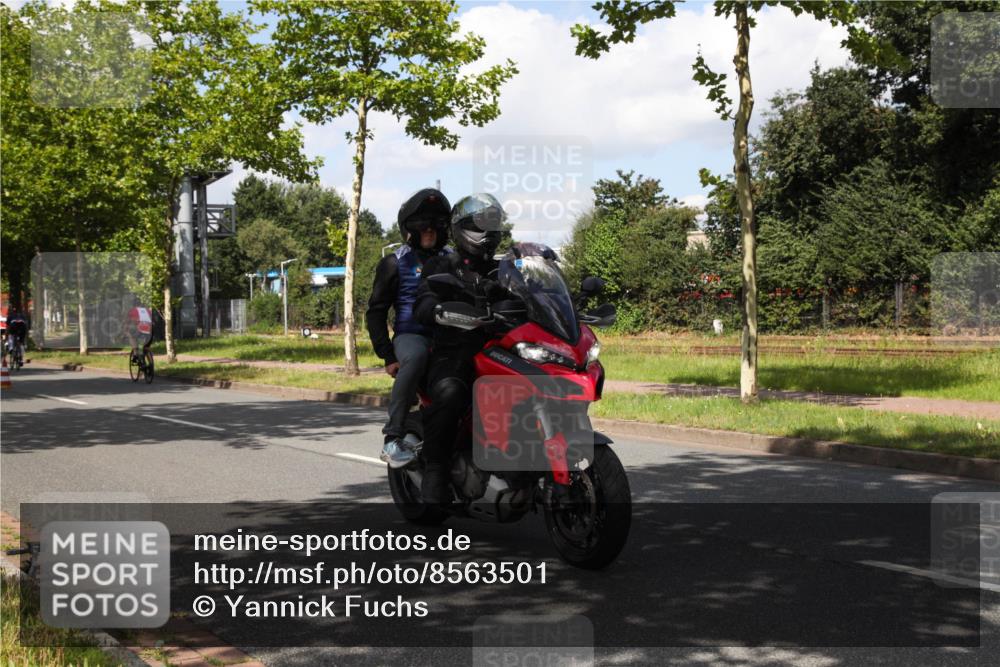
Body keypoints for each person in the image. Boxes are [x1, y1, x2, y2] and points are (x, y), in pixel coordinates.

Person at [413, 193, 507, 503]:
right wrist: (438, 309)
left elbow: (536, 293)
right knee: (451, 391)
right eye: (481, 225)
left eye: (493, 224)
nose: (488, 231)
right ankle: (436, 470)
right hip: (456, 349)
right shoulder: (444, 265)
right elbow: (425, 300)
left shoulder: (504, 269)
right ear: (462, 228)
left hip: (502, 348)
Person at [366, 188, 452, 467]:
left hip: (449, 337)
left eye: (435, 225)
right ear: (409, 229)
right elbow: (376, 311)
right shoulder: (395, 262)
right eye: (422, 225)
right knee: (416, 356)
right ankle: (392, 437)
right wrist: (388, 356)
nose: (429, 230)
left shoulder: (454, 260)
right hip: (411, 335)